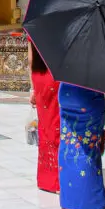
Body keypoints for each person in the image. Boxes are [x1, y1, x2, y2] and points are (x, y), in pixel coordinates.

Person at [58, 83, 105, 209]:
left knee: (69, 143)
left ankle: (69, 200)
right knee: (86, 148)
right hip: (87, 94)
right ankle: (90, 203)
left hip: (65, 92)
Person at [29, 39, 60, 194]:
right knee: (57, 124)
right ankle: (60, 178)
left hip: (39, 77)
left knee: (45, 126)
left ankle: (47, 178)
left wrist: (32, 89)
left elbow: (30, 59)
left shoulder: (34, 21)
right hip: (55, 75)